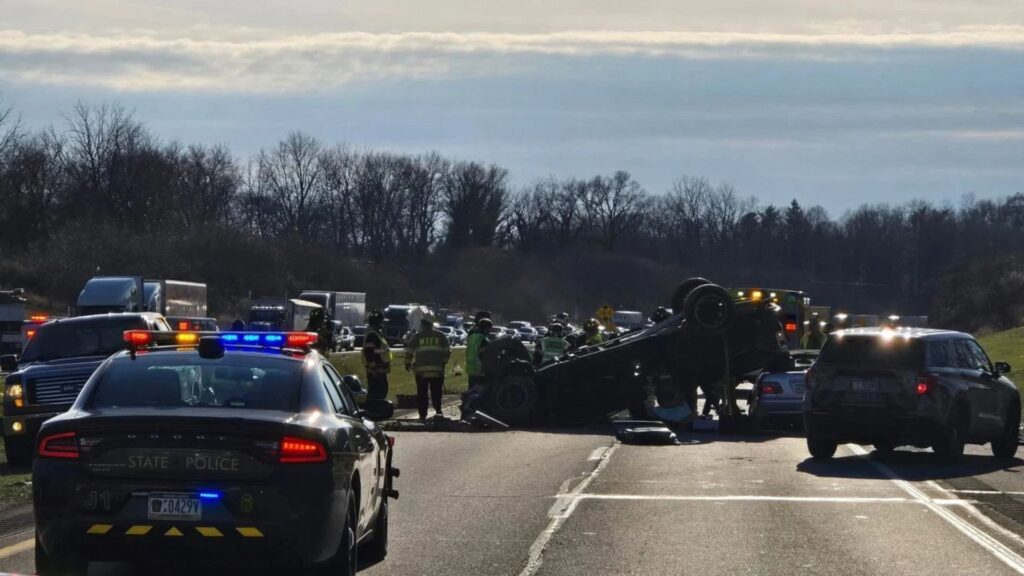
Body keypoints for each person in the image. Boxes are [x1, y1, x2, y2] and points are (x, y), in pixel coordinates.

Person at [405, 315, 451, 421]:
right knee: (436, 393)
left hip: (421, 372)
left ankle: (422, 415)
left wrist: (407, 364)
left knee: (422, 394)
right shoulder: (440, 336)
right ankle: (438, 411)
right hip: (437, 371)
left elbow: (410, 351)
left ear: (424, 324)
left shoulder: (418, 337)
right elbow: (447, 352)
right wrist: (443, 363)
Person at [362, 309, 392, 400]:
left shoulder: (377, 334)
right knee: (376, 395)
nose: (382, 323)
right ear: (378, 322)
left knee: (380, 394)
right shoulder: (372, 335)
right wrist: (374, 369)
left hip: (380, 371)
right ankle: (374, 411)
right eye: (381, 321)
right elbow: (369, 353)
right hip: (376, 372)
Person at [465, 316, 492, 390]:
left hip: (470, 368)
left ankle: (467, 400)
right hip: (479, 369)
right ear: (486, 328)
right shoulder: (483, 339)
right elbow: (484, 355)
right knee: (479, 391)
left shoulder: (472, 336)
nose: (490, 331)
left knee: (471, 388)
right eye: (489, 329)